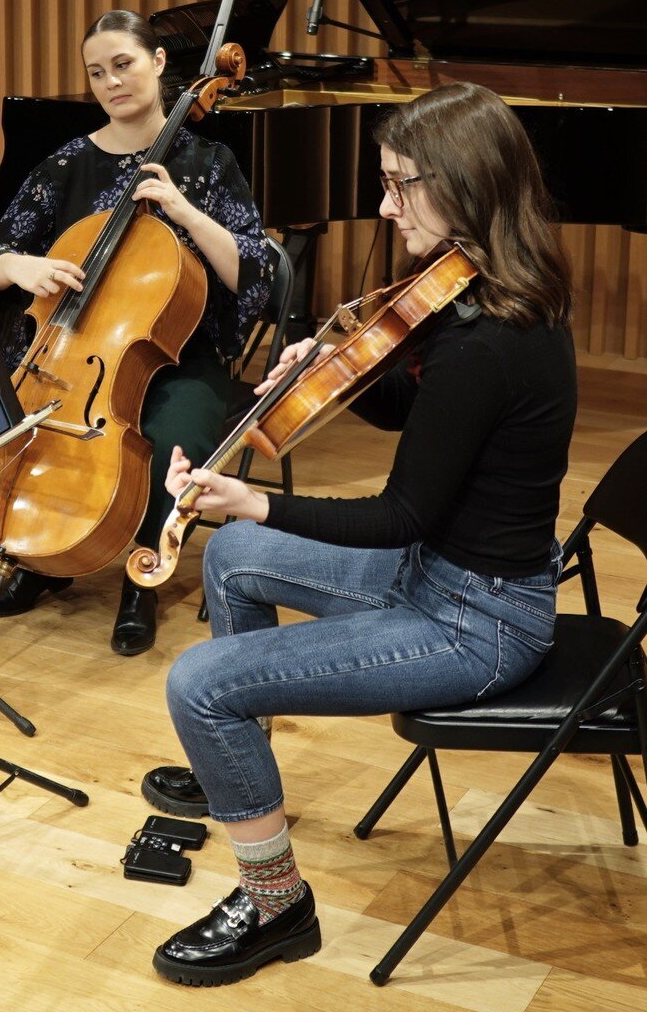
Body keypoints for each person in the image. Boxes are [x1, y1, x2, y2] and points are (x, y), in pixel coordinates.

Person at [144, 80, 577, 987]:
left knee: (198, 682)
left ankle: (276, 907)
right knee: (229, 560)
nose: (384, 205)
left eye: (398, 183)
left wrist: (255, 499)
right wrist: (336, 371)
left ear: (461, 184)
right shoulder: (478, 297)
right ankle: (243, 773)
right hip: (443, 572)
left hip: (477, 621)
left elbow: (400, 515)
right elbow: (424, 417)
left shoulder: (490, 340)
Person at [0, 10, 273, 654]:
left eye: (124, 64)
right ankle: (35, 560)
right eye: (97, 72)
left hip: (175, 354)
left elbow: (256, 271)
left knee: (169, 442)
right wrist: (24, 265)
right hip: (74, 351)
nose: (112, 81)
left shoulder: (208, 162)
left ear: (160, 64)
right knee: (19, 422)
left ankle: (143, 575)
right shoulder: (66, 165)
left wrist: (184, 211)